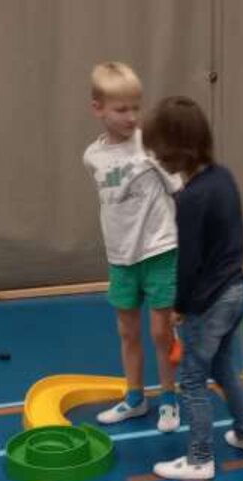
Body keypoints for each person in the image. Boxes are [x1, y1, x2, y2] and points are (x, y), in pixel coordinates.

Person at [141, 96, 243, 481]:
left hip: (209, 303)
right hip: (236, 291)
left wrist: (178, 307)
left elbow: (189, 263)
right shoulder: (224, 177)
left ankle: (199, 459)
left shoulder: (191, 199)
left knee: (193, 379)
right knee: (224, 367)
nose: (156, 157)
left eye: (159, 150)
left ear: (178, 149)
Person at [83, 61, 181, 431]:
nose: (131, 117)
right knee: (127, 332)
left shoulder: (150, 145)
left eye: (136, 108)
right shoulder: (92, 157)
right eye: (121, 109)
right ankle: (135, 398)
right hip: (121, 258)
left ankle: (169, 398)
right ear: (98, 109)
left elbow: (179, 189)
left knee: (160, 332)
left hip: (159, 251)